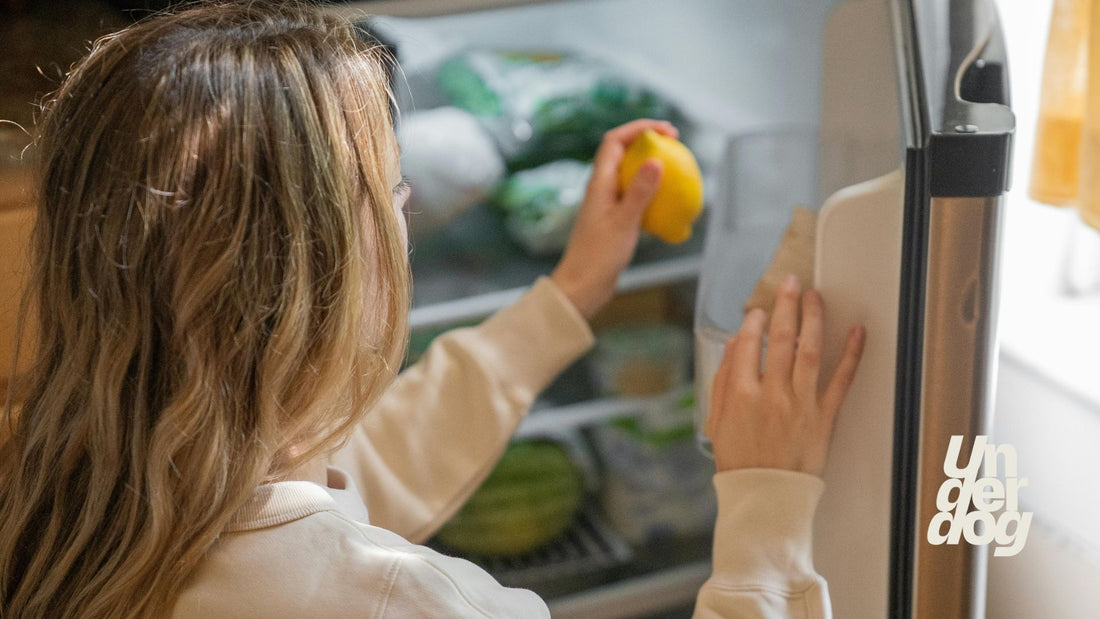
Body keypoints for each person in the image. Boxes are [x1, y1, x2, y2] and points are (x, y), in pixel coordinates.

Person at [0, 2, 865, 617]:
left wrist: (569, 297)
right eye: (392, 194)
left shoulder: (61, 488)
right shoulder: (410, 602)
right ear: (321, 280)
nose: (404, 213)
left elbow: (352, 480)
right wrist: (766, 513)